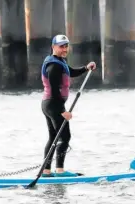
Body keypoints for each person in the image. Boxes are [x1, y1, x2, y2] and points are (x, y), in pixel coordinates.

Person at [41, 34, 96, 177]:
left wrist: (86, 68)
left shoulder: (59, 61)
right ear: (53, 47)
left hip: (49, 105)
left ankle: (46, 171)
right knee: (65, 137)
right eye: (61, 46)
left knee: (53, 137)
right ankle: (60, 170)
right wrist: (62, 111)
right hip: (53, 105)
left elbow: (70, 71)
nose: (64, 49)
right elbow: (54, 90)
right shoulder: (53, 66)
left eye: (66, 46)